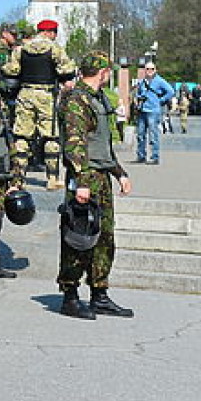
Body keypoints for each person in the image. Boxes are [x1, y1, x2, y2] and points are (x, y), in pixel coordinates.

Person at [57, 51, 133, 320]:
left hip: (101, 177)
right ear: (102, 72)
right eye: (108, 71)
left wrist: (119, 173)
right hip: (85, 180)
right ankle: (70, 295)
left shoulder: (97, 98)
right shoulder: (76, 100)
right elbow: (75, 144)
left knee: (104, 238)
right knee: (78, 239)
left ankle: (99, 293)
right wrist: (81, 182)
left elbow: (102, 145)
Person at [2, 18, 76, 189]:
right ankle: (52, 178)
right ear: (49, 32)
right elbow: (67, 70)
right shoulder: (54, 49)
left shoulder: (21, 49)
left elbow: (11, 70)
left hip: (25, 94)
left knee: (21, 136)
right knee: (51, 136)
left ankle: (19, 179)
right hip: (46, 95)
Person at [132, 62, 175, 164]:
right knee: (140, 134)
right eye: (147, 69)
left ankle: (155, 156)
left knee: (153, 134)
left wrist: (160, 100)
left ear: (155, 70)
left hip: (153, 111)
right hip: (142, 110)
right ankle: (141, 155)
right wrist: (138, 99)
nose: (149, 71)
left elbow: (171, 91)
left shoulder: (159, 81)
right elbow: (139, 93)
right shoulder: (142, 82)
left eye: (152, 69)